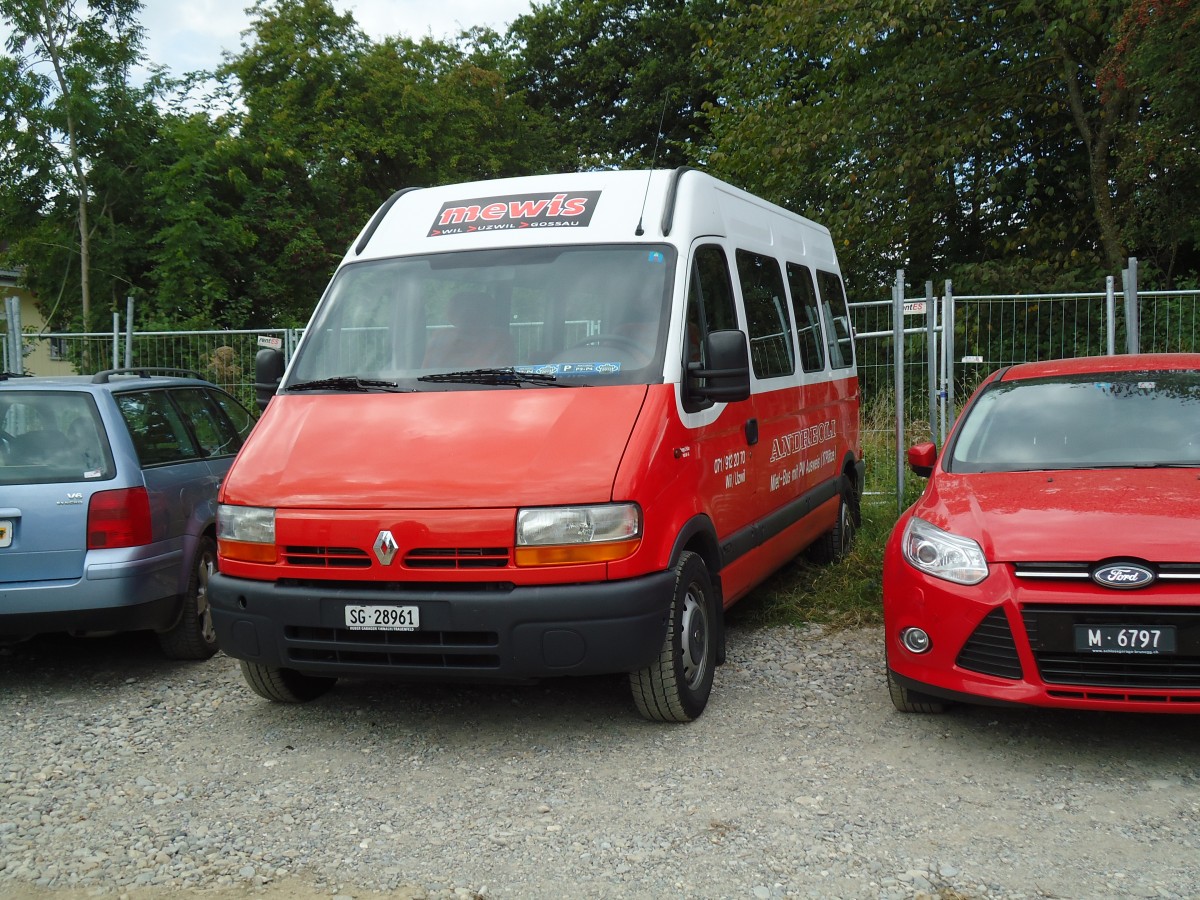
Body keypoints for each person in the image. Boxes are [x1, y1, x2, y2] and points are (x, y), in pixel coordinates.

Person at [423, 292, 514, 367]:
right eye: (461, 311)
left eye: (478, 310)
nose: (470, 315)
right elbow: (425, 374)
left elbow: (502, 376)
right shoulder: (441, 337)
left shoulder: (499, 339)